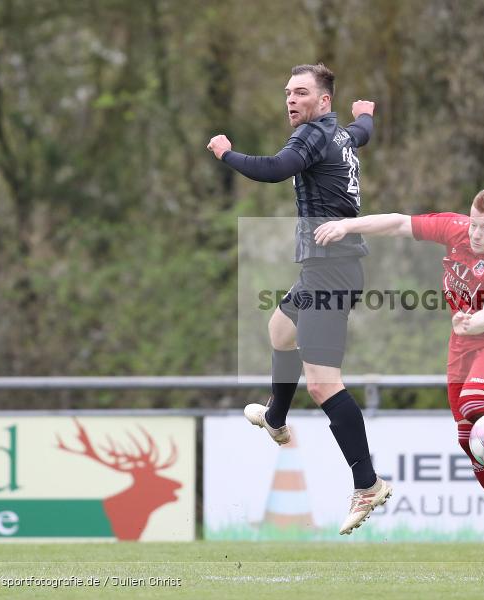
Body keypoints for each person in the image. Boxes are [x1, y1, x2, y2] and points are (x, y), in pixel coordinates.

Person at [313, 188, 484, 570]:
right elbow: (399, 223)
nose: (477, 234)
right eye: (475, 224)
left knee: (475, 404)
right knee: (469, 439)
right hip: (463, 346)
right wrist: (347, 225)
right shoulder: (457, 230)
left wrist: (473, 321)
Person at [207, 63, 391, 535]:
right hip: (325, 270)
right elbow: (362, 132)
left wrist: (227, 154)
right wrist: (366, 115)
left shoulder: (311, 136)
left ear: (322, 101)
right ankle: (276, 419)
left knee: (324, 384)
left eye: (302, 92)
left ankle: (367, 484)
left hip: (331, 272)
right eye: (288, 92)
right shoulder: (340, 134)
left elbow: (275, 170)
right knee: (279, 330)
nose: (291, 100)